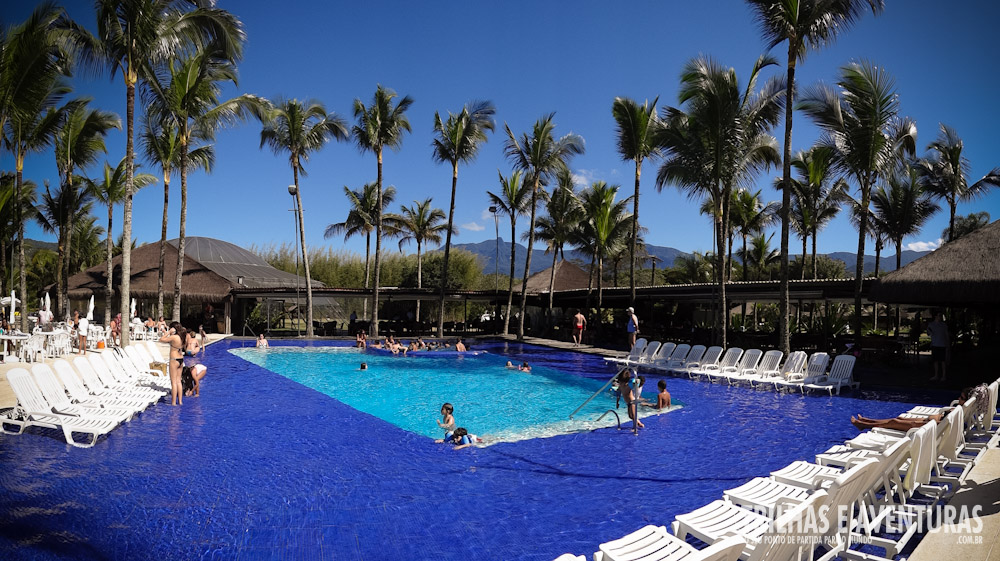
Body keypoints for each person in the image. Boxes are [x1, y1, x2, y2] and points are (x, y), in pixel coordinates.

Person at [159, 322, 187, 406]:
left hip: (174, 359)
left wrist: (168, 332)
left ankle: (174, 402)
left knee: (174, 382)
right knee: (179, 381)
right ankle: (180, 401)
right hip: (181, 359)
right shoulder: (182, 337)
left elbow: (161, 339)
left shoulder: (174, 337)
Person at [851, 413, 943, 432]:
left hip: (925, 428)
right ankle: (866, 420)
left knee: (893, 422)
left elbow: (937, 423)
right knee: (899, 418)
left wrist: (916, 423)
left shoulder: (956, 412)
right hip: (928, 424)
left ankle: (863, 425)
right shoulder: (956, 410)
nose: (958, 398)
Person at [927, 313, 949, 382]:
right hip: (935, 345)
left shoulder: (943, 325)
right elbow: (928, 333)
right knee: (935, 361)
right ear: (935, 316)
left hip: (942, 345)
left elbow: (946, 335)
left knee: (943, 361)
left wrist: (948, 344)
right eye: (939, 315)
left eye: (940, 316)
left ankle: (943, 376)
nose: (940, 317)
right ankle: (936, 375)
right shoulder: (931, 325)